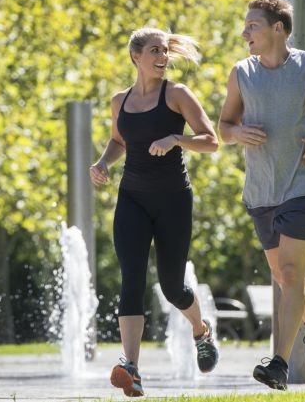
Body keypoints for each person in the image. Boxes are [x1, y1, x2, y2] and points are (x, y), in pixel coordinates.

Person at [218, 0, 305, 390]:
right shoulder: (240, 72)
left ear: (278, 28)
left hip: (303, 185)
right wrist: (236, 133)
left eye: (252, 26)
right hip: (261, 190)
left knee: (292, 272)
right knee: (282, 275)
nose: (245, 33)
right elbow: (224, 126)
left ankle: (278, 363)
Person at [90, 27, 219, 397]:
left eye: (165, 50)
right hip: (131, 198)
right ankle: (132, 368)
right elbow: (118, 141)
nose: (162, 57)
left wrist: (176, 138)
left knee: (172, 287)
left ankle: (201, 331)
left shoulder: (177, 94)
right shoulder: (120, 100)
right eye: (154, 51)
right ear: (136, 57)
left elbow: (211, 141)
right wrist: (102, 163)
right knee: (131, 280)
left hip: (173, 201)